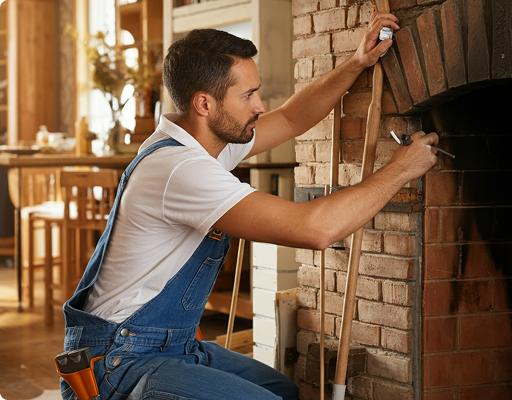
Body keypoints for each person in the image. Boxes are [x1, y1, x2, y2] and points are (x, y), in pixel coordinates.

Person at [60, 10, 439, 400]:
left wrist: (357, 62)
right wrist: (399, 171)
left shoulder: (199, 144)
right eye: (248, 95)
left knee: (282, 391)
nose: (259, 105)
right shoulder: (179, 169)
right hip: (121, 363)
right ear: (204, 104)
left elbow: (291, 117)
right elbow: (316, 229)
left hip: (166, 347)